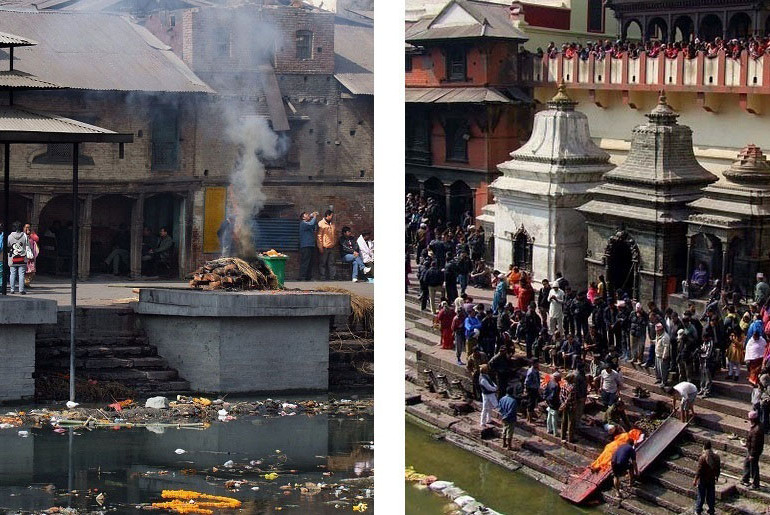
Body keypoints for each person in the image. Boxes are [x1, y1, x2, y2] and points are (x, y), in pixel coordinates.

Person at [694, 441, 721, 515]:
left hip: (702, 479)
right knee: (711, 496)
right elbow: (718, 469)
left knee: (701, 496)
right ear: (711, 447)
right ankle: (711, 510)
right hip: (711, 479)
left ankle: (698, 510)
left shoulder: (702, 458)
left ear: (704, 447)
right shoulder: (716, 457)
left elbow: (699, 471)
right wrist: (717, 477)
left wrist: (695, 480)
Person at [741, 410, 764, 489]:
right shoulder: (757, 426)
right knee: (747, 463)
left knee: (754, 467)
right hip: (752, 450)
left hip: (754, 452)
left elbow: (755, 444)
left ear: (752, 419)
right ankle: (745, 479)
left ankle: (755, 484)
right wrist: (747, 444)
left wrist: (752, 454)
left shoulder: (756, 430)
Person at [7, 222, 28, 294]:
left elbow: (8, 244)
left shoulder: (10, 236)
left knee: (12, 273)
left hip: (13, 257)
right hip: (22, 257)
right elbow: (27, 245)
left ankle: (12, 289)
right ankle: (21, 289)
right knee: (21, 274)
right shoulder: (24, 236)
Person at [316, 210, 336, 280]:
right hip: (324, 246)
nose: (332, 217)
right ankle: (322, 276)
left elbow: (334, 234)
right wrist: (320, 246)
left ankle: (332, 276)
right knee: (323, 262)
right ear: (327, 215)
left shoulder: (332, 224)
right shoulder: (321, 223)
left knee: (332, 263)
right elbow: (319, 236)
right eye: (331, 215)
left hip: (332, 246)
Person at [298, 211, 318, 280]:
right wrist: (314, 217)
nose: (308, 215)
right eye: (306, 214)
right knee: (305, 261)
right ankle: (302, 276)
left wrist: (313, 218)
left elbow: (314, 225)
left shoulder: (308, 223)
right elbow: (311, 224)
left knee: (310, 262)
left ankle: (308, 277)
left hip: (311, 245)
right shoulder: (303, 223)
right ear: (303, 217)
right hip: (305, 245)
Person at [559, 373, 577, 444]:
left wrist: (562, 404)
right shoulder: (572, 388)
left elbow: (561, 395)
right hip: (570, 406)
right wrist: (564, 405)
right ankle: (570, 438)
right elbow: (569, 399)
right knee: (571, 423)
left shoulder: (564, 385)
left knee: (564, 421)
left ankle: (562, 436)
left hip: (564, 405)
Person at [544, 371, 561, 437]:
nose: (560, 378)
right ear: (556, 378)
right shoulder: (556, 385)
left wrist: (546, 399)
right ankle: (555, 432)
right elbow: (554, 396)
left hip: (549, 401)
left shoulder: (550, 382)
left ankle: (549, 429)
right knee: (554, 418)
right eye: (559, 377)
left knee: (549, 416)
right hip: (554, 403)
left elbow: (546, 391)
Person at [524, 359, 541, 423]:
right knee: (531, 403)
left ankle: (530, 417)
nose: (538, 364)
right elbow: (526, 381)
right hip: (531, 389)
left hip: (535, 388)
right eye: (537, 363)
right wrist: (526, 389)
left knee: (533, 403)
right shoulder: (531, 371)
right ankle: (529, 419)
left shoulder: (536, 370)